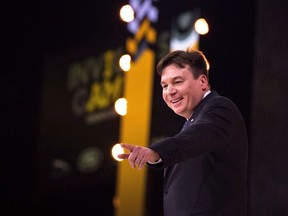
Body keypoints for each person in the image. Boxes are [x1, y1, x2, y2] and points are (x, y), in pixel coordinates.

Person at [118, 49, 248, 216]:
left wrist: (156, 152)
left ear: (202, 82)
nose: (169, 91)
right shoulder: (189, 125)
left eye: (177, 82)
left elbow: (196, 138)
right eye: (165, 85)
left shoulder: (220, 108)